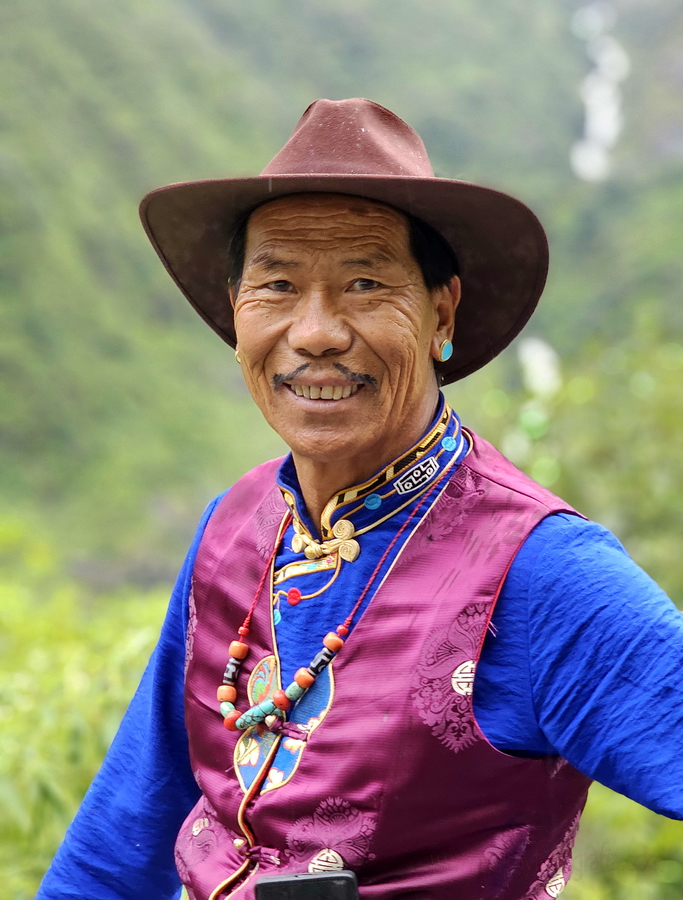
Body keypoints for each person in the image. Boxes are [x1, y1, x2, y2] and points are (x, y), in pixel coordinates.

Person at [37, 99, 683, 900]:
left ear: (440, 314)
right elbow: (122, 837)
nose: (314, 331)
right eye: (275, 284)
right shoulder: (235, 526)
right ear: (237, 314)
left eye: (365, 282)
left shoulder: (537, 569)